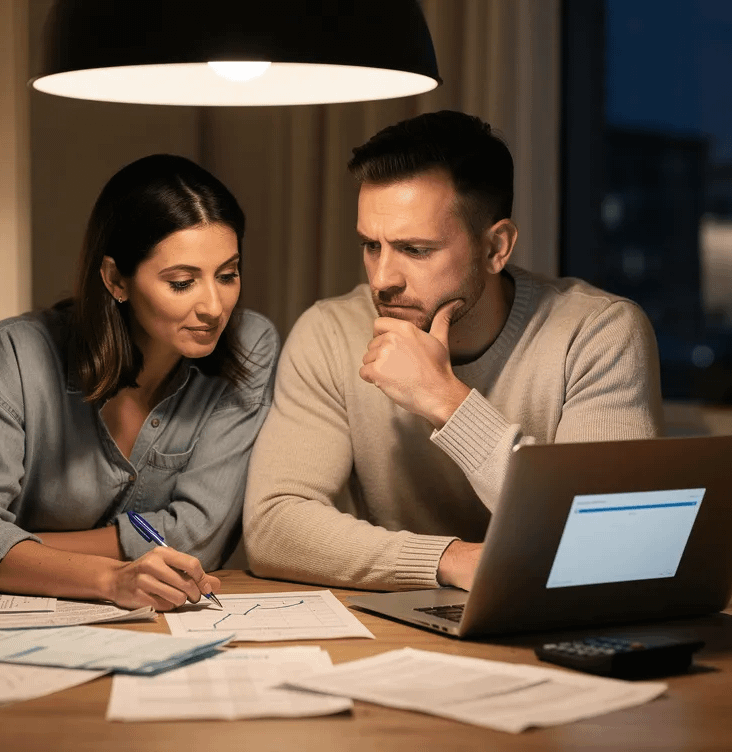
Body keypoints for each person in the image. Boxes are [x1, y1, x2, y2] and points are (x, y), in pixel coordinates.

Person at [243, 111, 662, 592]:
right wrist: (447, 560)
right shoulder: (330, 331)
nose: (382, 279)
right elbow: (273, 525)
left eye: (415, 250)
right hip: (402, 628)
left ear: (495, 247)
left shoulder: (597, 332)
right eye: (370, 246)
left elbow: (608, 536)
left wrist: (446, 401)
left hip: (567, 622)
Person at [0, 154, 279, 611]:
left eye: (228, 275)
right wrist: (111, 579)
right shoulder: (17, 353)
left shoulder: (251, 345)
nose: (214, 306)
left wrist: (18, 548)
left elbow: (199, 536)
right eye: (181, 283)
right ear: (116, 279)